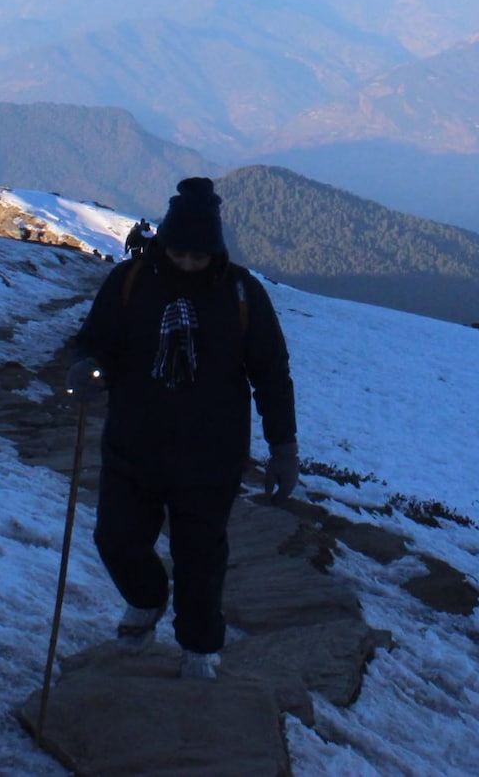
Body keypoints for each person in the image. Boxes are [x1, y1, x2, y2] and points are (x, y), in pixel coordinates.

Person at [64, 177, 299, 681]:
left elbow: (271, 373)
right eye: (179, 253)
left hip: (210, 455)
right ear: (165, 242)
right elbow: (94, 341)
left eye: (199, 255)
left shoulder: (242, 293)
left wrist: (284, 448)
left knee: (201, 558)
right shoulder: (129, 281)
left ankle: (199, 649)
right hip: (134, 444)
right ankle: (147, 599)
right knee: (115, 539)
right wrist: (85, 368)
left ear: (215, 249)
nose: (189, 263)